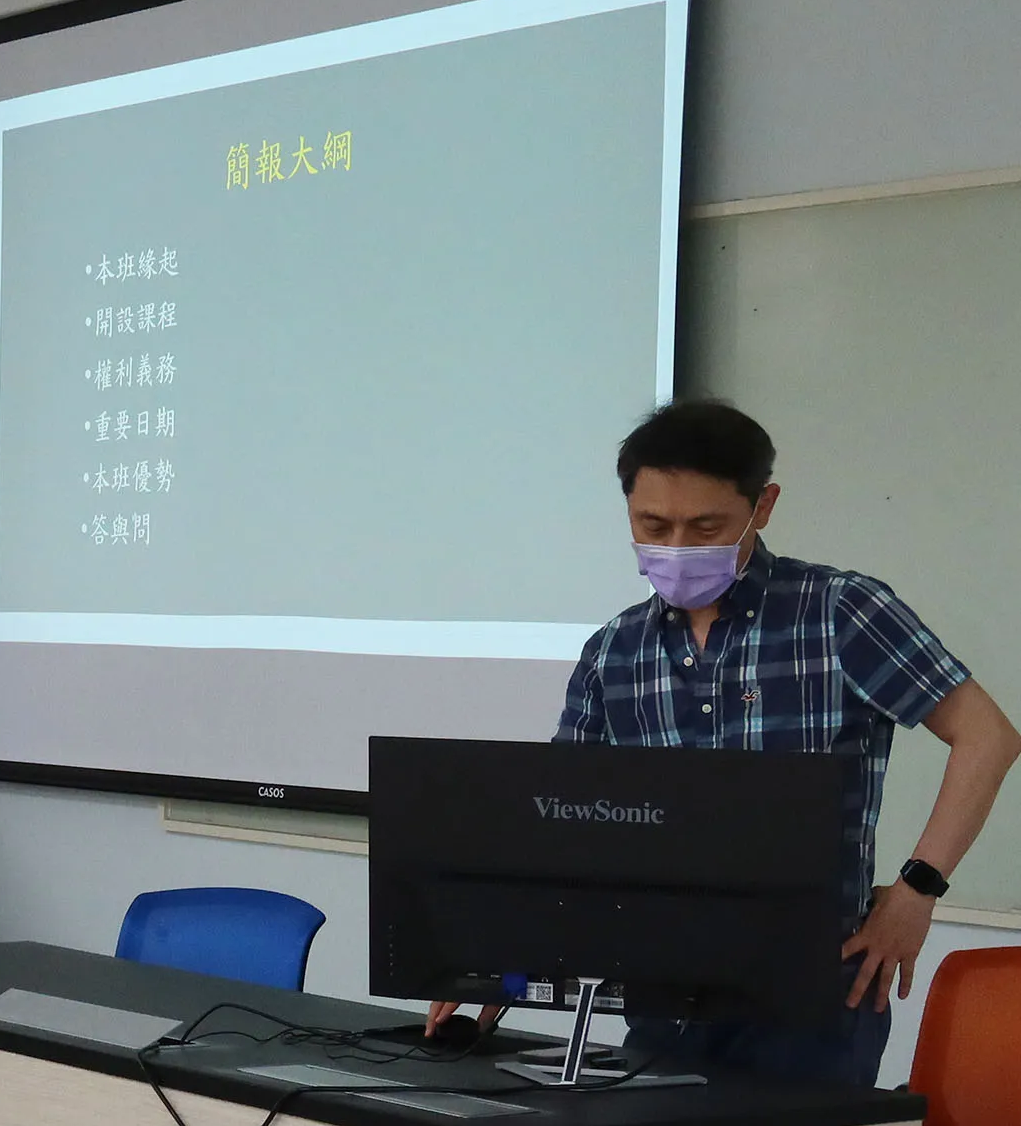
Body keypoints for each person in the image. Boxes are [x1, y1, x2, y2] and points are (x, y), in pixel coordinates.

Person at [431, 401, 1020, 1083]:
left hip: (813, 994)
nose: (678, 547)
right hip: (661, 989)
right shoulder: (616, 648)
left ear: (762, 506)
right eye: (654, 526)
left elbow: (988, 737)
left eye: (705, 527)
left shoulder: (837, 611)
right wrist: (507, 953)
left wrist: (918, 891)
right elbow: (564, 817)